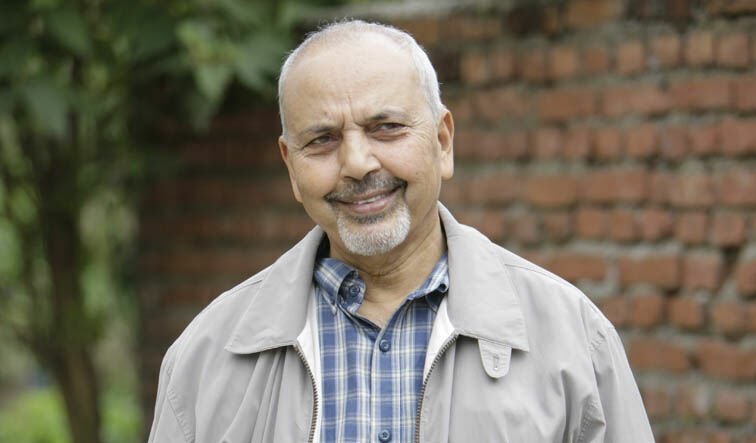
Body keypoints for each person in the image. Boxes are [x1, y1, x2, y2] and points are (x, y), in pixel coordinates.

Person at [148, 20, 653, 443]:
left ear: (443, 141)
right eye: (322, 139)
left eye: (386, 127)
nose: (357, 163)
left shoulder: (572, 339)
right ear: (291, 168)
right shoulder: (205, 358)